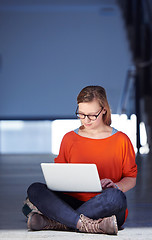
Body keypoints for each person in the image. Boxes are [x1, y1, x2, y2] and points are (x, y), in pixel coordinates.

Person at [22, 85, 137, 235]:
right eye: (81, 114)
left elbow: (131, 178)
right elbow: (59, 175)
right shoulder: (69, 138)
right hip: (72, 200)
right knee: (35, 189)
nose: (86, 120)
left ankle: (58, 221)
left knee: (116, 198)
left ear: (103, 110)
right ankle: (89, 225)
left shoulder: (121, 140)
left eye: (91, 115)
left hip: (104, 204)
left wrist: (116, 185)